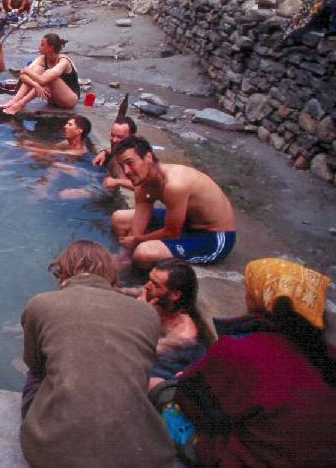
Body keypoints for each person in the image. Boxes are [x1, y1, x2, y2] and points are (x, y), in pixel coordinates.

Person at [173, 258, 336, 466]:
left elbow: (189, 401)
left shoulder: (241, 349)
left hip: (250, 460)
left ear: (259, 299)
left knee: (161, 391)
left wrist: (188, 376)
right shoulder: (335, 358)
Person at [19, 240, 174, 467]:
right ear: (110, 274)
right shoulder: (148, 313)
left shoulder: (39, 303)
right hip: (138, 457)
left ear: (63, 273)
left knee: (35, 373)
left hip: (51, 454)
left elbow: (33, 362)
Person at [111, 136, 237, 267]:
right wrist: (124, 256)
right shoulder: (142, 184)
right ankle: (130, 266)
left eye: (130, 163)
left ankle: (148, 274)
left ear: (148, 157)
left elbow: (171, 233)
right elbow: (137, 228)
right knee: (119, 219)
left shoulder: (175, 184)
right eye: (122, 166)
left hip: (213, 235)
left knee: (143, 253)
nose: (126, 171)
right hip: (186, 223)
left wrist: (138, 241)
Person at [136, 259, 208, 389]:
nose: (146, 286)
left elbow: (139, 350)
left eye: (155, 284)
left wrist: (139, 316)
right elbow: (130, 291)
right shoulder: (157, 302)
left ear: (175, 294)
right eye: (149, 279)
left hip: (165, 371)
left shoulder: (184, 334)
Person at [0, 33, 80, 114]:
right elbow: (22, 75)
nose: (39, 47)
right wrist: (35, 85)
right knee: (37, 69)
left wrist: (27, 71)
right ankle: (14, 101)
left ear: (50, 48)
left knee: (48, 76)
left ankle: (20, 104)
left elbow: (43, 80)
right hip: (52, 99)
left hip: (69, 100)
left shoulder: (63, 61)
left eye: (42, 45)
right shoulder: (42, 59)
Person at [92, 116, 137, 191]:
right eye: (112, 135)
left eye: (119, 137)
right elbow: (112, 149)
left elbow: (146, 187)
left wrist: (117, 182)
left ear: (131, 137)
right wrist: (104, 152)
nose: (114, 140)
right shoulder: (119, 150)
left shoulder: (136, 159)